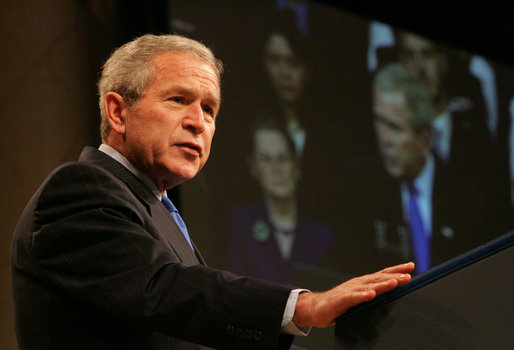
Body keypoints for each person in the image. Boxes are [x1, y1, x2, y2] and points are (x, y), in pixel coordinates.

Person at [10, 34, 414, 350]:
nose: (198, 122)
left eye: (209, 109)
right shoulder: (79, 189)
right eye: (179, 99)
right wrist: (305, 306)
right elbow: (162, 289)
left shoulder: (158, 209)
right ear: (118, 112)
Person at [369, 63, 501, 274]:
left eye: (394, 128)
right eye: (379, 123)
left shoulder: (469, 206)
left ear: (425, 139)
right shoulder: (362, 189)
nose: (384, 140)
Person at [227, 116, 333, 286]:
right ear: (254, 167)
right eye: (266, 159)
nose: (277, 168)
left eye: (283, 158)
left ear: (296, 166)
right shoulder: (241, 223)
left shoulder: (322, 233)